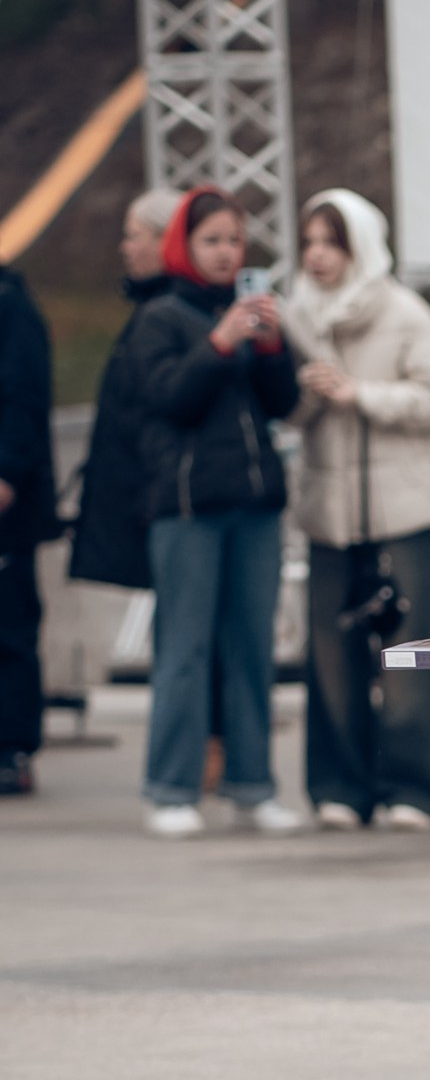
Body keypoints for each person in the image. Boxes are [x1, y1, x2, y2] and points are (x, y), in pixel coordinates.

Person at [280, 188, 430, 831]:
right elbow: (286, 411)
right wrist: (308, 394)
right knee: (331, 657)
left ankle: (415, 791)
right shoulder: (296, 316)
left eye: (331, 242)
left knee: (411, 656)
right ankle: (339, 788)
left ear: (360, 246)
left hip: (403, 513)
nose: (317, 256)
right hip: (328, 514)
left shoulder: (404, 312)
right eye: (309, 242)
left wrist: (361, 393)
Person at [131, 188, 303, 838]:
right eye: (211, 241)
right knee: (186, 649)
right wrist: (220, 343)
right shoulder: (161, 317)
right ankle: (171, 788)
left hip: (254, 507)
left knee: (252, 648)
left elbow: (282, 404)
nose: (226, 252)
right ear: (184, 246)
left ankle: (252, 786)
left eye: (234, 240)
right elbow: (169, 399)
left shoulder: (249, 314)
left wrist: (272, 347)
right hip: (187, 510)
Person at [69, 188, 185, 594]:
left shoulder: (168, 315)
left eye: (134, 235)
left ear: (166, 240)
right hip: (146, 501)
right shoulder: (152, 309)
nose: (125, 247)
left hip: (161, 503)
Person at [0, 258, 58, 797]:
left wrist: (8, 472)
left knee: (9, 626)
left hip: (7, 506)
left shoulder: (11, 305)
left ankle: (12, 749)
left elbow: (25, 396)